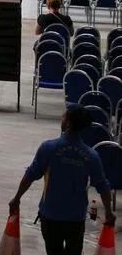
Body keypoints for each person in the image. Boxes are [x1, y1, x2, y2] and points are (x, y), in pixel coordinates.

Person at [9, 106, 114, 255]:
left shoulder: (48, 148)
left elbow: (31, 175)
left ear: (68, 123)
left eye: (64, 117)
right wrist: (109, 212)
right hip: (75, 218)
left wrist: (17, 198)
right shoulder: (91, 156)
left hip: (51, 215)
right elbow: (103, 185)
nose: (62, 119)